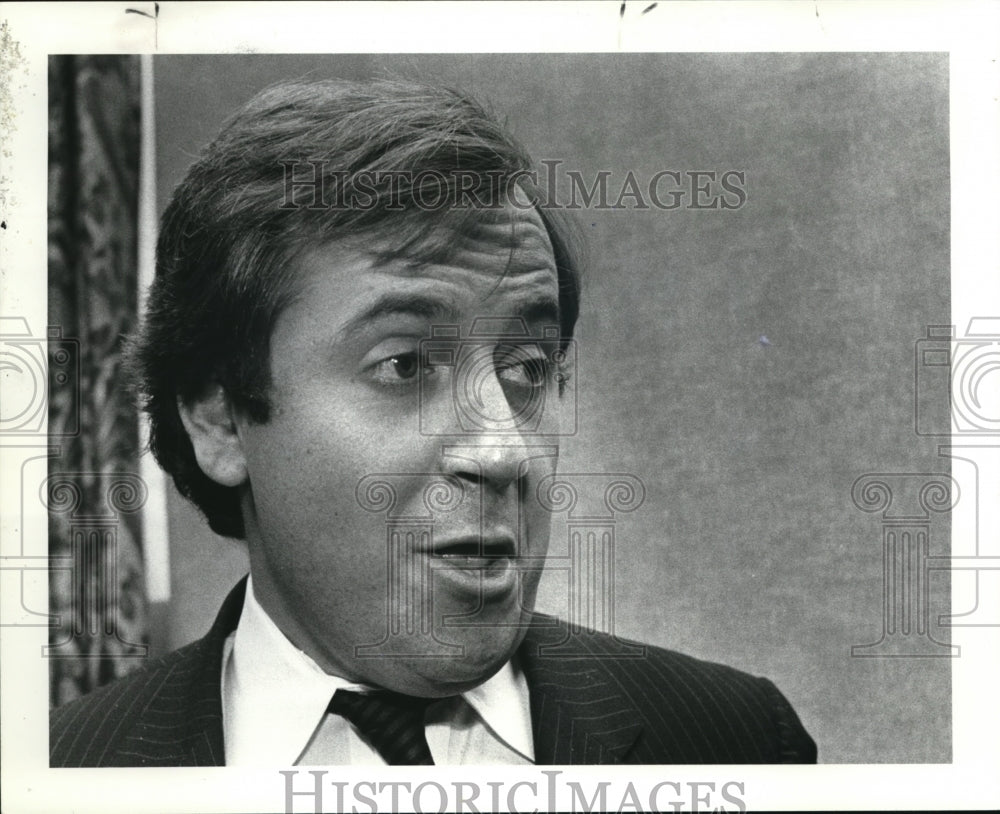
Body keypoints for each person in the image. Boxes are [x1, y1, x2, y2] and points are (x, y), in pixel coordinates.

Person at [50, 78, 817, 767]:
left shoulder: (735, 738)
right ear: (219, 421)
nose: (504, 450)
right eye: (407, 365)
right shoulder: (67, 772)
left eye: (526, 369)